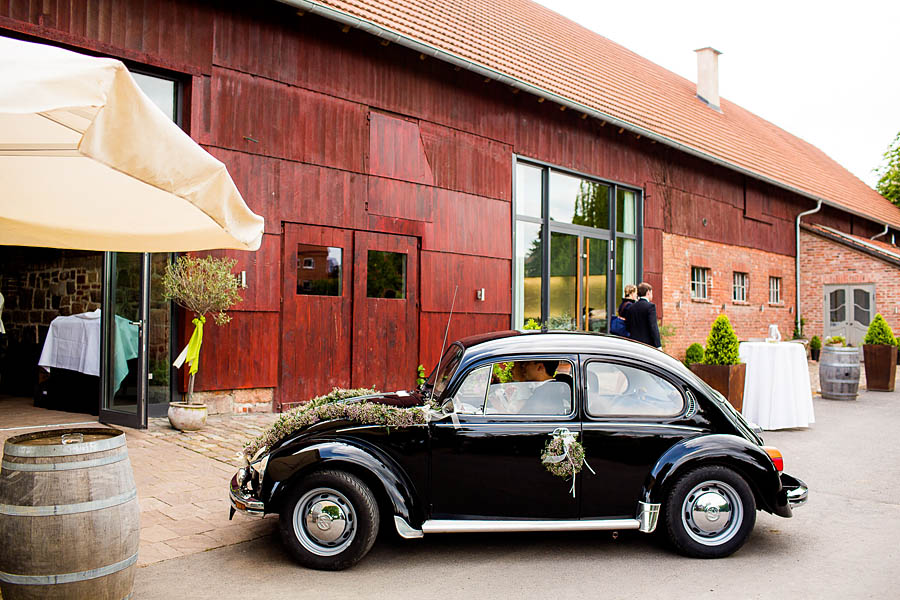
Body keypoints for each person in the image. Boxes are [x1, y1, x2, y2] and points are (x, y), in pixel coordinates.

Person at [627, 282, 661, 349]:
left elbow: (628, 326)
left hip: (633, 344)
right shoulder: (650, 307)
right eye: (651, 293)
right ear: (648, 292)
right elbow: (653, 327)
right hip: (647, 346)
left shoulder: (631, 307)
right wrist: (658, 346)